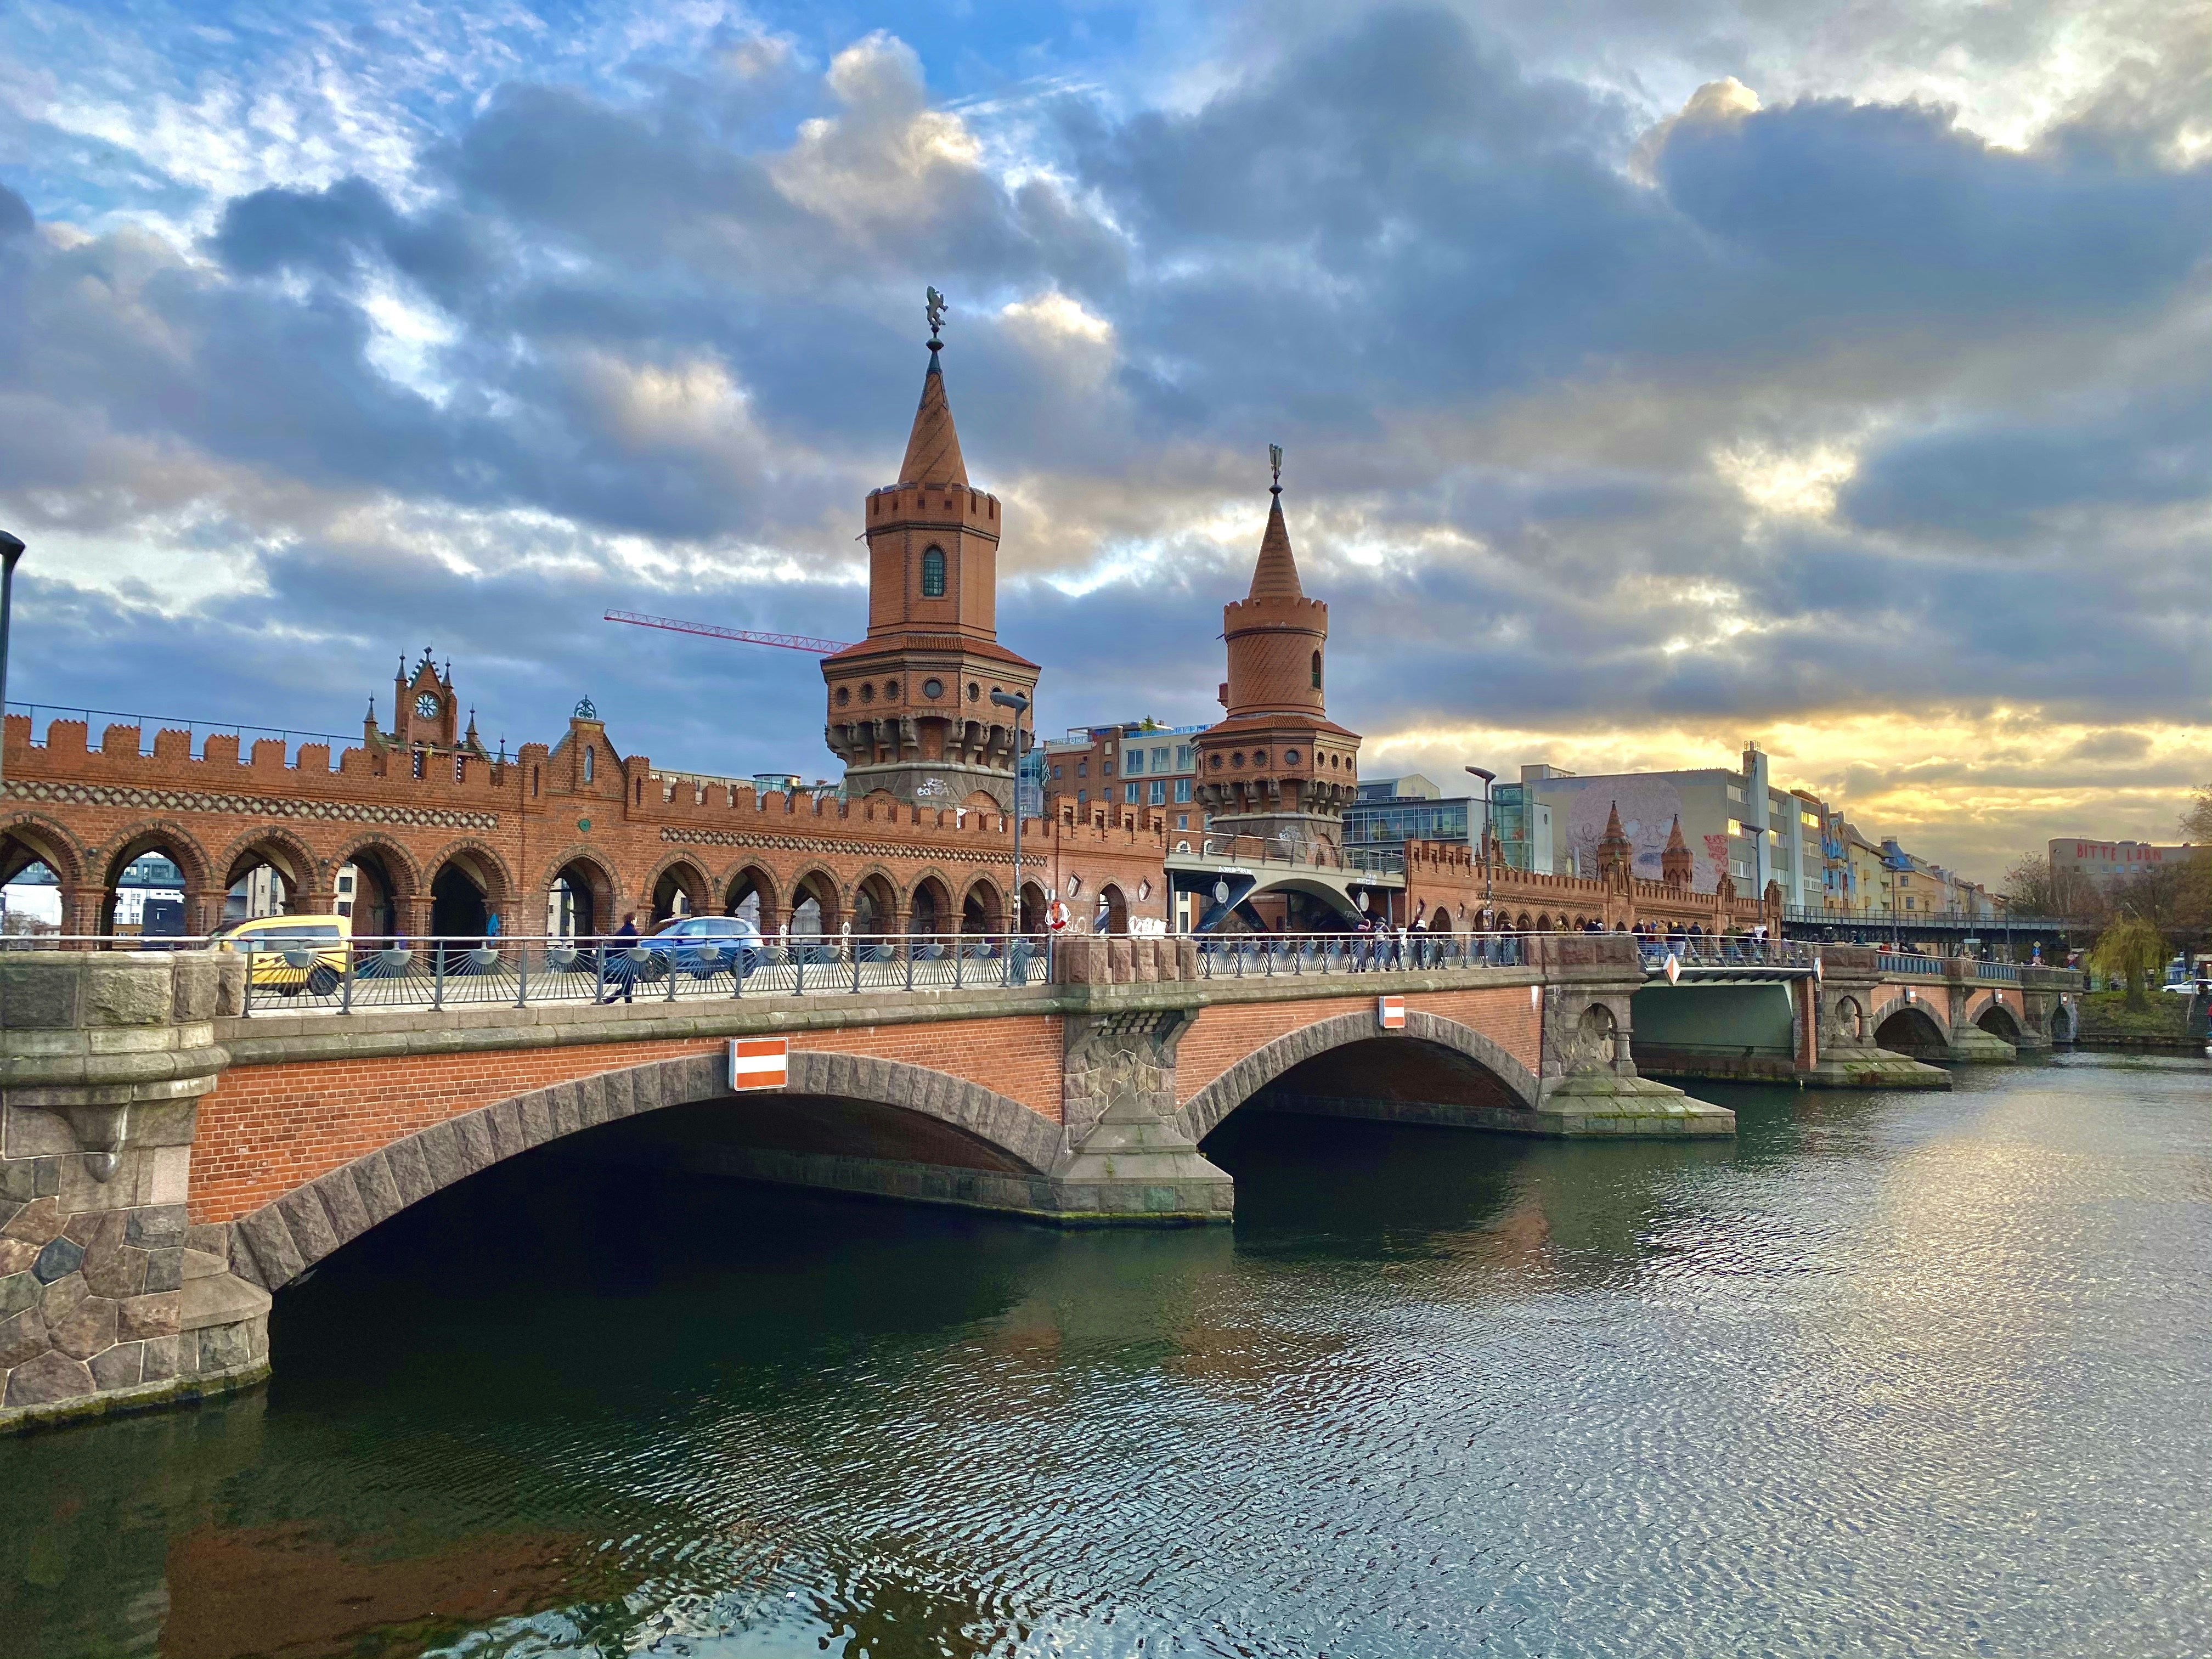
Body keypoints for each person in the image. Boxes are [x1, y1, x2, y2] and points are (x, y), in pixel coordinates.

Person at [599, 911, 640, 1003]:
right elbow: (637, 947)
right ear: (633, 921)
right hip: (629, 962)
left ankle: (625, 1002)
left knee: (628, 984)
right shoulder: (634, 933)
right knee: (629, 985)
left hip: (620, 961)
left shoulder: (620, 932)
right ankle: (611, 1000)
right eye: (636, 920)